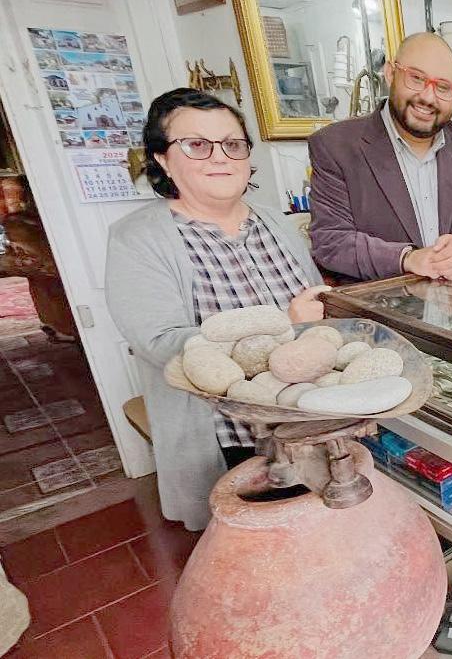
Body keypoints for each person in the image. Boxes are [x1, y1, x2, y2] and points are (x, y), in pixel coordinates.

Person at [105, 88, 326, 531]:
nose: (220, 157)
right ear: (163, 159)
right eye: (197, 145)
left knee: (318, 529)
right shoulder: (138, 237)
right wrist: (283, 326)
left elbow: (313, 304)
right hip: (228, 437)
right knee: (249, 543)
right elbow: (161, 343)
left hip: (304, 417)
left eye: (232, 144)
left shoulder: (275, 222)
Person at [308, 31, 452, 283]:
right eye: (417, 78)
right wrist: (407, 258)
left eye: (443, 87)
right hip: (380, 305)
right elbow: (331, 241)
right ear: (391, 73)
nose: (428, 97)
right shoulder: (336, 146)